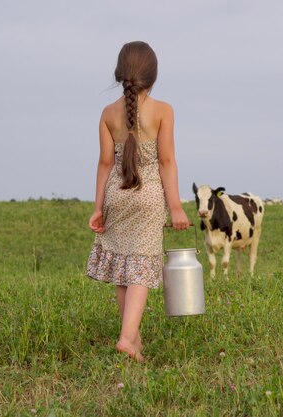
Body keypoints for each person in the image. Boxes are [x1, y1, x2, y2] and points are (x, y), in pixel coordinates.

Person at [86, 41, 190, 362]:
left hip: (117, 195)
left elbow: (105, 163)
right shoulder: (163, 111)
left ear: (120, 74)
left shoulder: (107, 114)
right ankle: (127, 339)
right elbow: (167, 161)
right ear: (153, 76)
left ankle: (134, 340)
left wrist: (98, 207)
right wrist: (175, 207)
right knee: (141, 270)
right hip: (148, 199)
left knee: (123, 268)